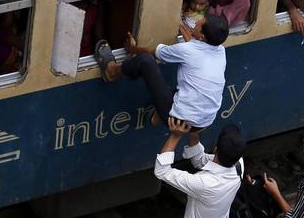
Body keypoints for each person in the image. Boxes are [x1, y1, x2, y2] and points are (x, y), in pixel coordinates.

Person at [97, 14, 229, 131]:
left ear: (201, 36)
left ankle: (111, 71)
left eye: (198, 24)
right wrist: (185, 30)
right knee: (192, 87)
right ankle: (155, 117)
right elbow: (197, 50)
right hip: (203, 122)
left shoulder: (187, 50)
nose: (195, 23)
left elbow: (153, 54)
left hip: (177, 121)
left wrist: (133, 49)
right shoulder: (220, 51)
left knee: (145, 60)